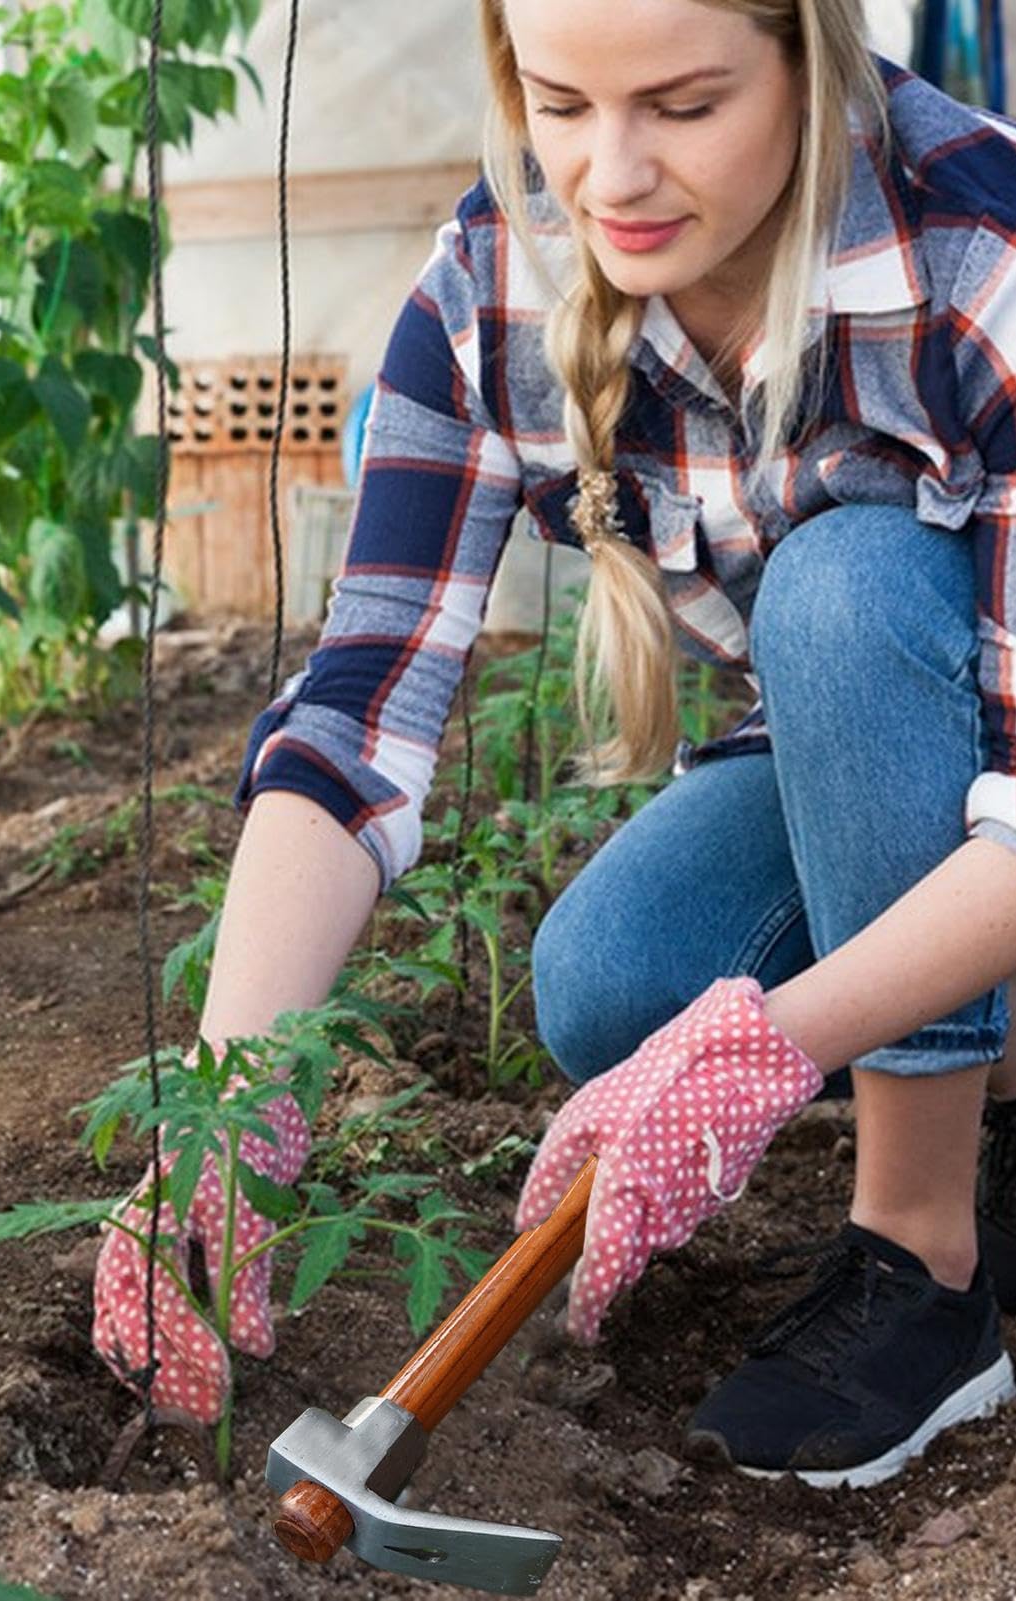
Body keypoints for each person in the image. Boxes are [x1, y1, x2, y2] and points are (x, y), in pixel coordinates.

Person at [92, 0, 1016, 1489]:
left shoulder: (976, 251)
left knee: (848, 586)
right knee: (612, 985)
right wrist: (228, 1113)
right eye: (561, 104)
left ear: (809, 56)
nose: (610, 176)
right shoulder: (492, 286)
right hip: (902, 760)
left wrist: (768, 1046)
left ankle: (922, 1260)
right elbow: (359, 712)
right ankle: (995, 1108)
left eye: (683, 105)